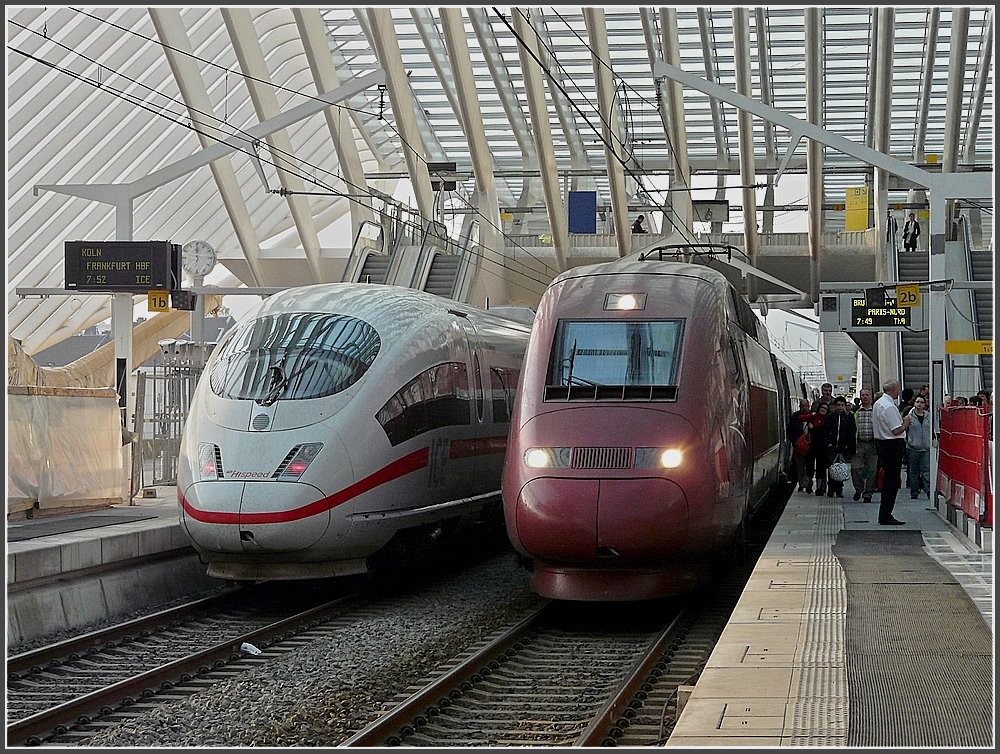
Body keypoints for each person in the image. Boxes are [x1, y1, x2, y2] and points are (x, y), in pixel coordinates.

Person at [873, 378, 912, 525]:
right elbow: (896, 430)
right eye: (899, 388)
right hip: (892, 445)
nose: (900, 391)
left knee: (889, 480)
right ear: (894, 390)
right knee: (892, 481)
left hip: (882, 444)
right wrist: (906, 424)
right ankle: (885, 515)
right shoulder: (888, 406)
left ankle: (885, 514)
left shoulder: (878, 404)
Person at [822, 396, 857, 498]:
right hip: (832, 447)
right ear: (835, 406)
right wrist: (828, 443)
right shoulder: (830, 417)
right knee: (832, 468)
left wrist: (850, 446)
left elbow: (852, 432)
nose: (840, 407)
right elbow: (825, 431)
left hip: (843, 448)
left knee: (840, 468)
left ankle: (839, 489)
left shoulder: (849, 417)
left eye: (842, 405)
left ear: (845, 406)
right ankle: (831, 488)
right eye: (838, 405)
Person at [851, 388, 878, 502]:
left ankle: (868, 494)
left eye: (867, 395)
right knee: (855, 468)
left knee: (872, 470)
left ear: (871, 397)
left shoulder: (876, 411)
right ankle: (859, 488)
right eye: (863, 395)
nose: (865, 397)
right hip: (859, 444)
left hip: (873, 444)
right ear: (860, 397)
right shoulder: (855, 412)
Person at [905, 395, 931, 499]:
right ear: (914, 403)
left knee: (926, 470)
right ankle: (914, 491)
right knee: (914, 471)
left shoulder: (929, 416)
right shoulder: (909, 417)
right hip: (913, 447)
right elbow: (905, 430)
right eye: (917, 402)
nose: (919, 404)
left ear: (925, 404)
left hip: (925, 447)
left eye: (921, 402)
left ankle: (928, 490)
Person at [788, 398, 815, 493]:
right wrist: (795, 442)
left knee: (809, 466)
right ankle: (801, 483)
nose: (804, 408)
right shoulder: (795, 417)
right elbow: (790, 431)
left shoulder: (813, 417)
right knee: (799, 466)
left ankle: (808, 482)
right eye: (802, 406)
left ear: (809, 406)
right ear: (799, 406)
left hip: (811, 447)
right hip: (798, 447)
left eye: (806, 406)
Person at [809, 402, 832, 496]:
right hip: (813, 446)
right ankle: (814, 486)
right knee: (814, 467)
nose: (823, 409)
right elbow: (801, 418)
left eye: (825, 408)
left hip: (824, 447)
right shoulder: (814, 418)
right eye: (821, 407)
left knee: (822, 468)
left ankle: (822, 488)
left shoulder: (828, 420)